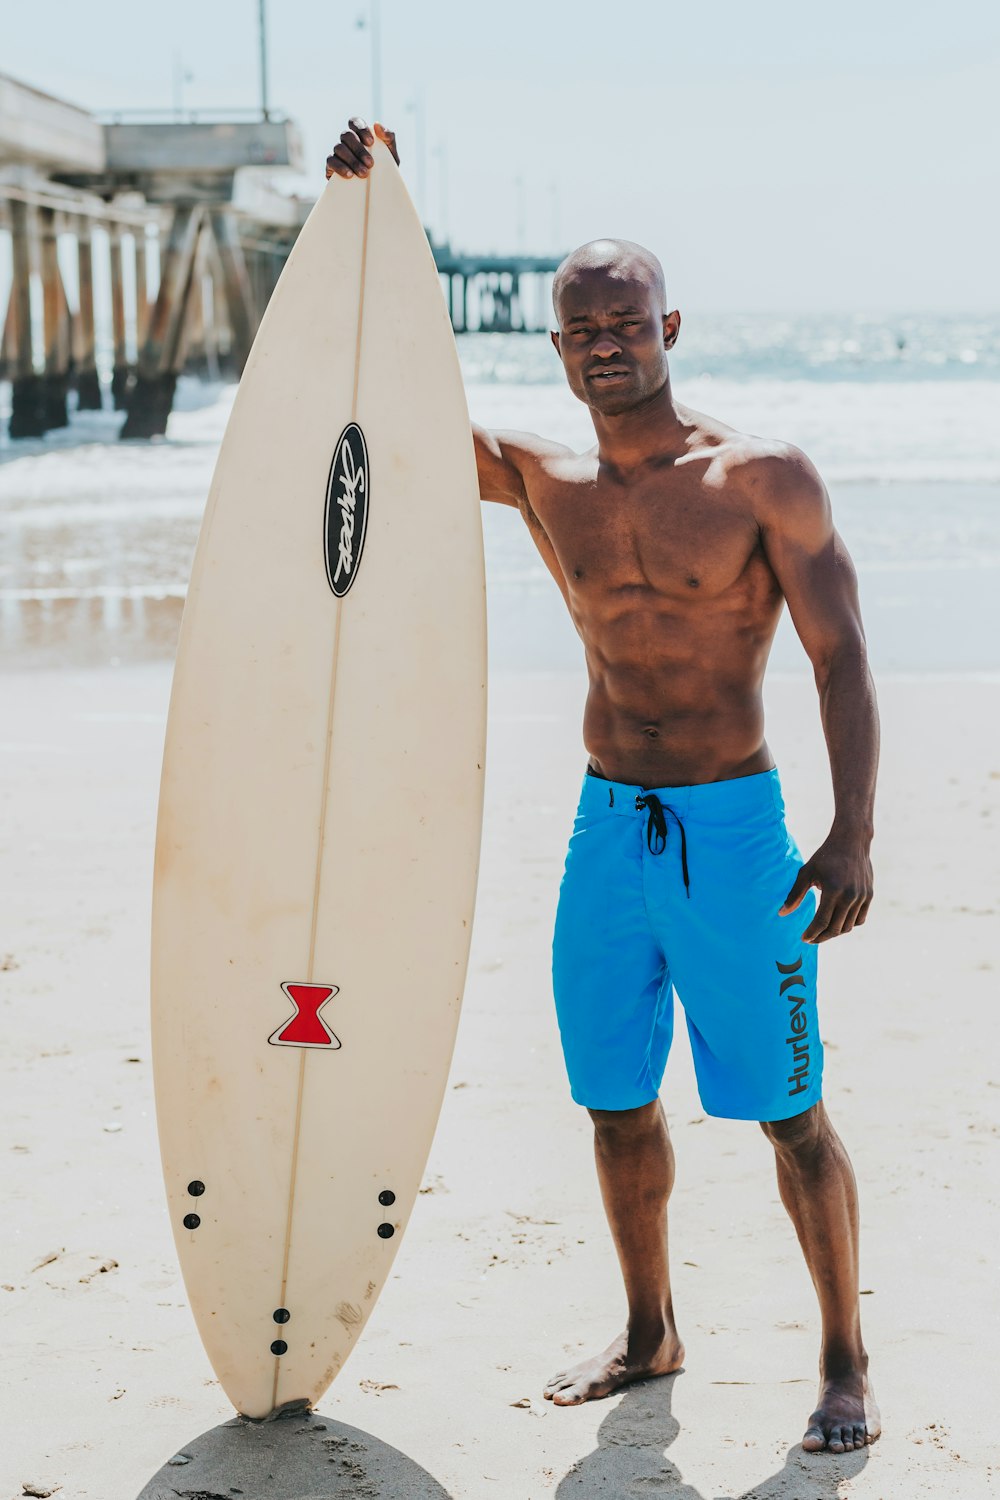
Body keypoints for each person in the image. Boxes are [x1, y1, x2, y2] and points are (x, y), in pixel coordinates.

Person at [327, 118, 881, 1456]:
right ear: (557, 344)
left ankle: (846, 1360)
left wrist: (851, 832)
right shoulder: (540, 477)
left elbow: (843, 654)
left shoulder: (760, 477)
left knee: (790, 1114)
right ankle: (651, 1333)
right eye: (580, 329)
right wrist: (361, 215)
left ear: (669, 320)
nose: (603, 344)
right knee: (614, 1101)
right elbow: (370, 402)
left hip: (737, 833)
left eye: (624, 320)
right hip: (605, 828)